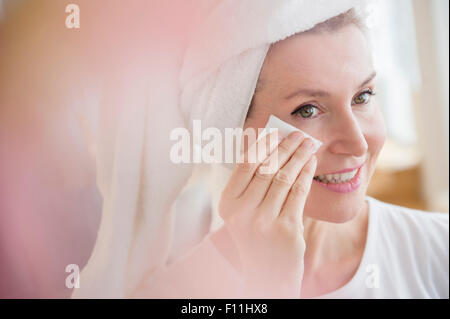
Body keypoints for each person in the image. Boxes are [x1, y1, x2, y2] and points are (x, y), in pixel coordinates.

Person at [132, 7, 449, 299]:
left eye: (362, 96)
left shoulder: (438, 251)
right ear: (233, 136)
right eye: (308, 110)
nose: (358, 144)